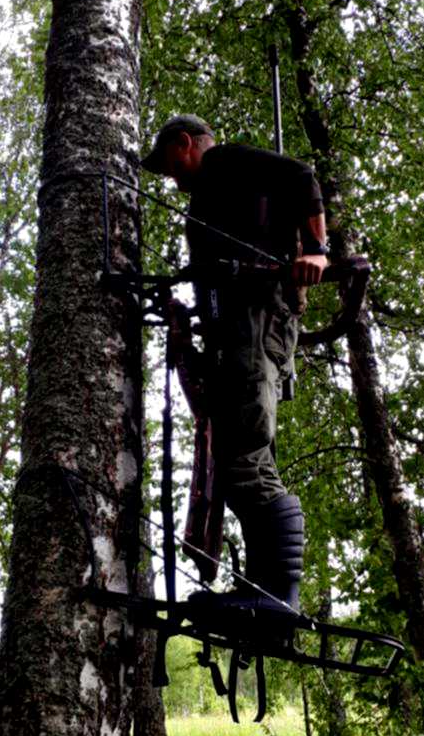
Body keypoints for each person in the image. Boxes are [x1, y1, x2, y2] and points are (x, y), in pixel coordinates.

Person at [141, 114, 329, 627]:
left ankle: (278, 596)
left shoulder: (222, 161)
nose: (171, 179)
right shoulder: (211, 199)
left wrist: (315, 250)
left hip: (255, 327)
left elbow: (301, 176)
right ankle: (268, 595)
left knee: (245, 458)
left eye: (170, 165)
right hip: (237, 334)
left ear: (186, 144)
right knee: (241, 458)